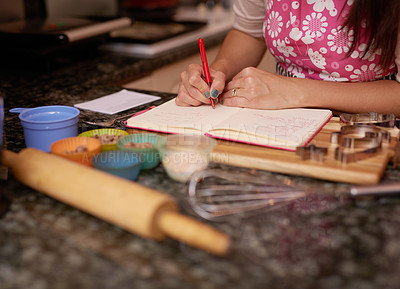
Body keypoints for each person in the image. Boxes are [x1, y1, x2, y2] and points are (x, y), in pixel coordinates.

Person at [176, 0, 400, 116]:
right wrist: (218, 72)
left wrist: (296, 92)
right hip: (284, 124)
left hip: (368, 129)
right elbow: (249, 33)